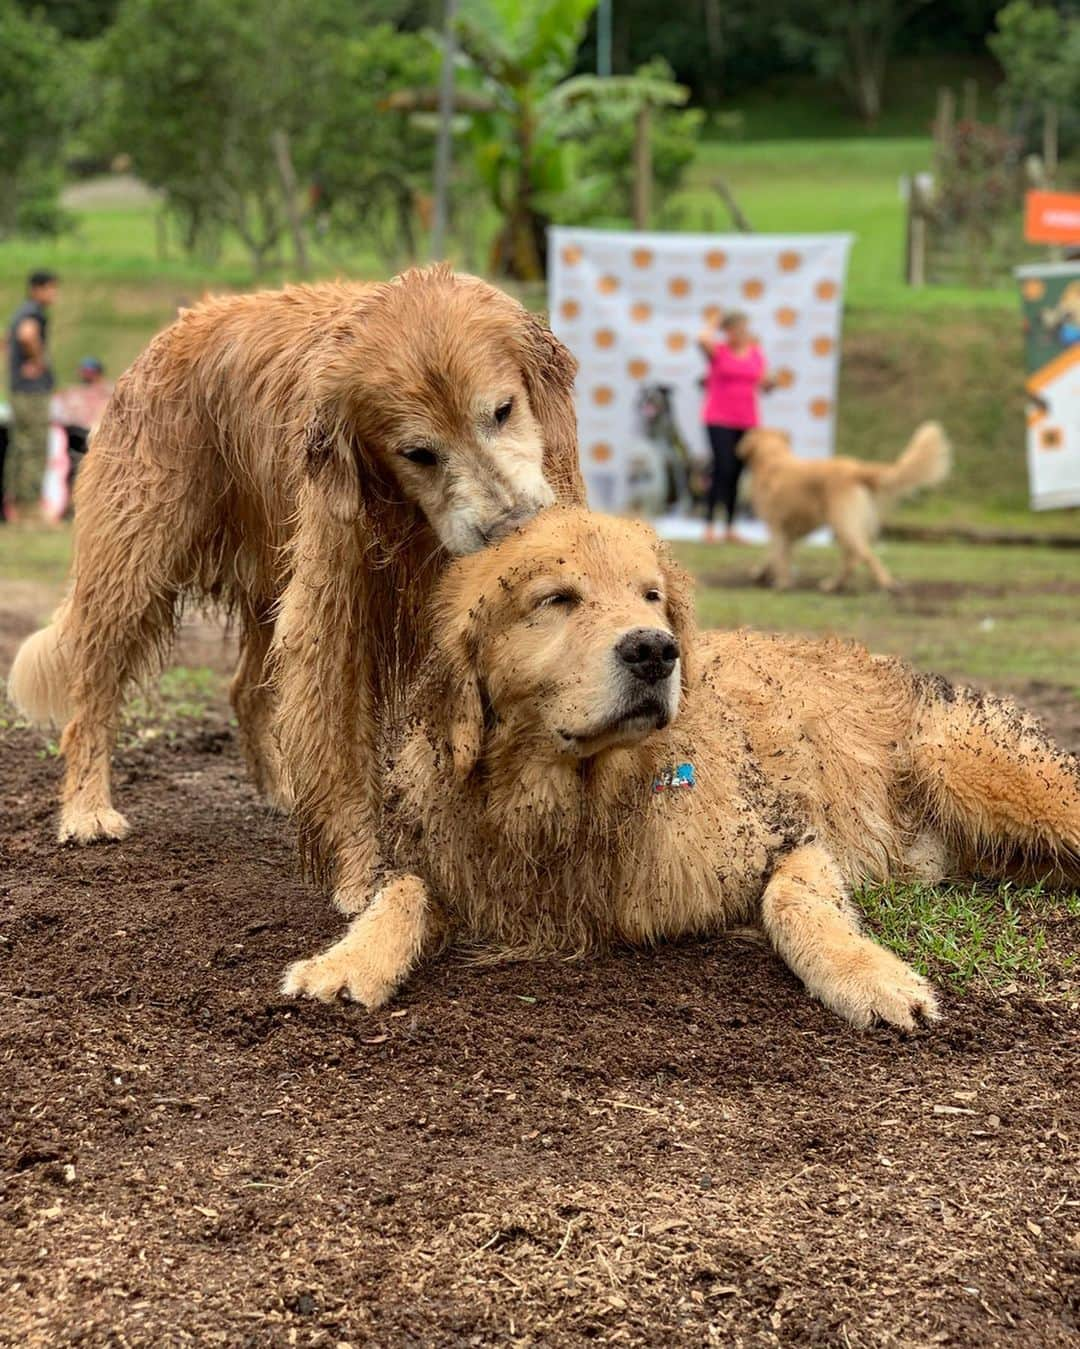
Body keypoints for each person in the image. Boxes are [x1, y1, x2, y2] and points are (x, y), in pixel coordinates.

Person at [698, 309, 773, 543]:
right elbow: (702, 339)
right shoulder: (719, 353)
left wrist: (771, 383)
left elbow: (763, 382)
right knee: (722, 469)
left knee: (737, 474)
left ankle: (730, 526)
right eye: (736, 329)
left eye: (744, 329)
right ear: (727, 331)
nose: (741, 334)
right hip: (719, 419)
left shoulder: (755, 354)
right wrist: (714, 321)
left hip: (747, 421)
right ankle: (710, 524)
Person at [6, 270, 58, 521]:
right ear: (37, 289)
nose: (53, 294)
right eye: (50, 288)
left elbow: (7, 340)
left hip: (19, 389)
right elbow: (27, 335)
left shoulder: (20, 311)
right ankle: (30, 509)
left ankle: (14, 506)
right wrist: (38, 361)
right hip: (32, 392)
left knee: (20, 446)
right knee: (34, 446)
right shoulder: (32, 313)